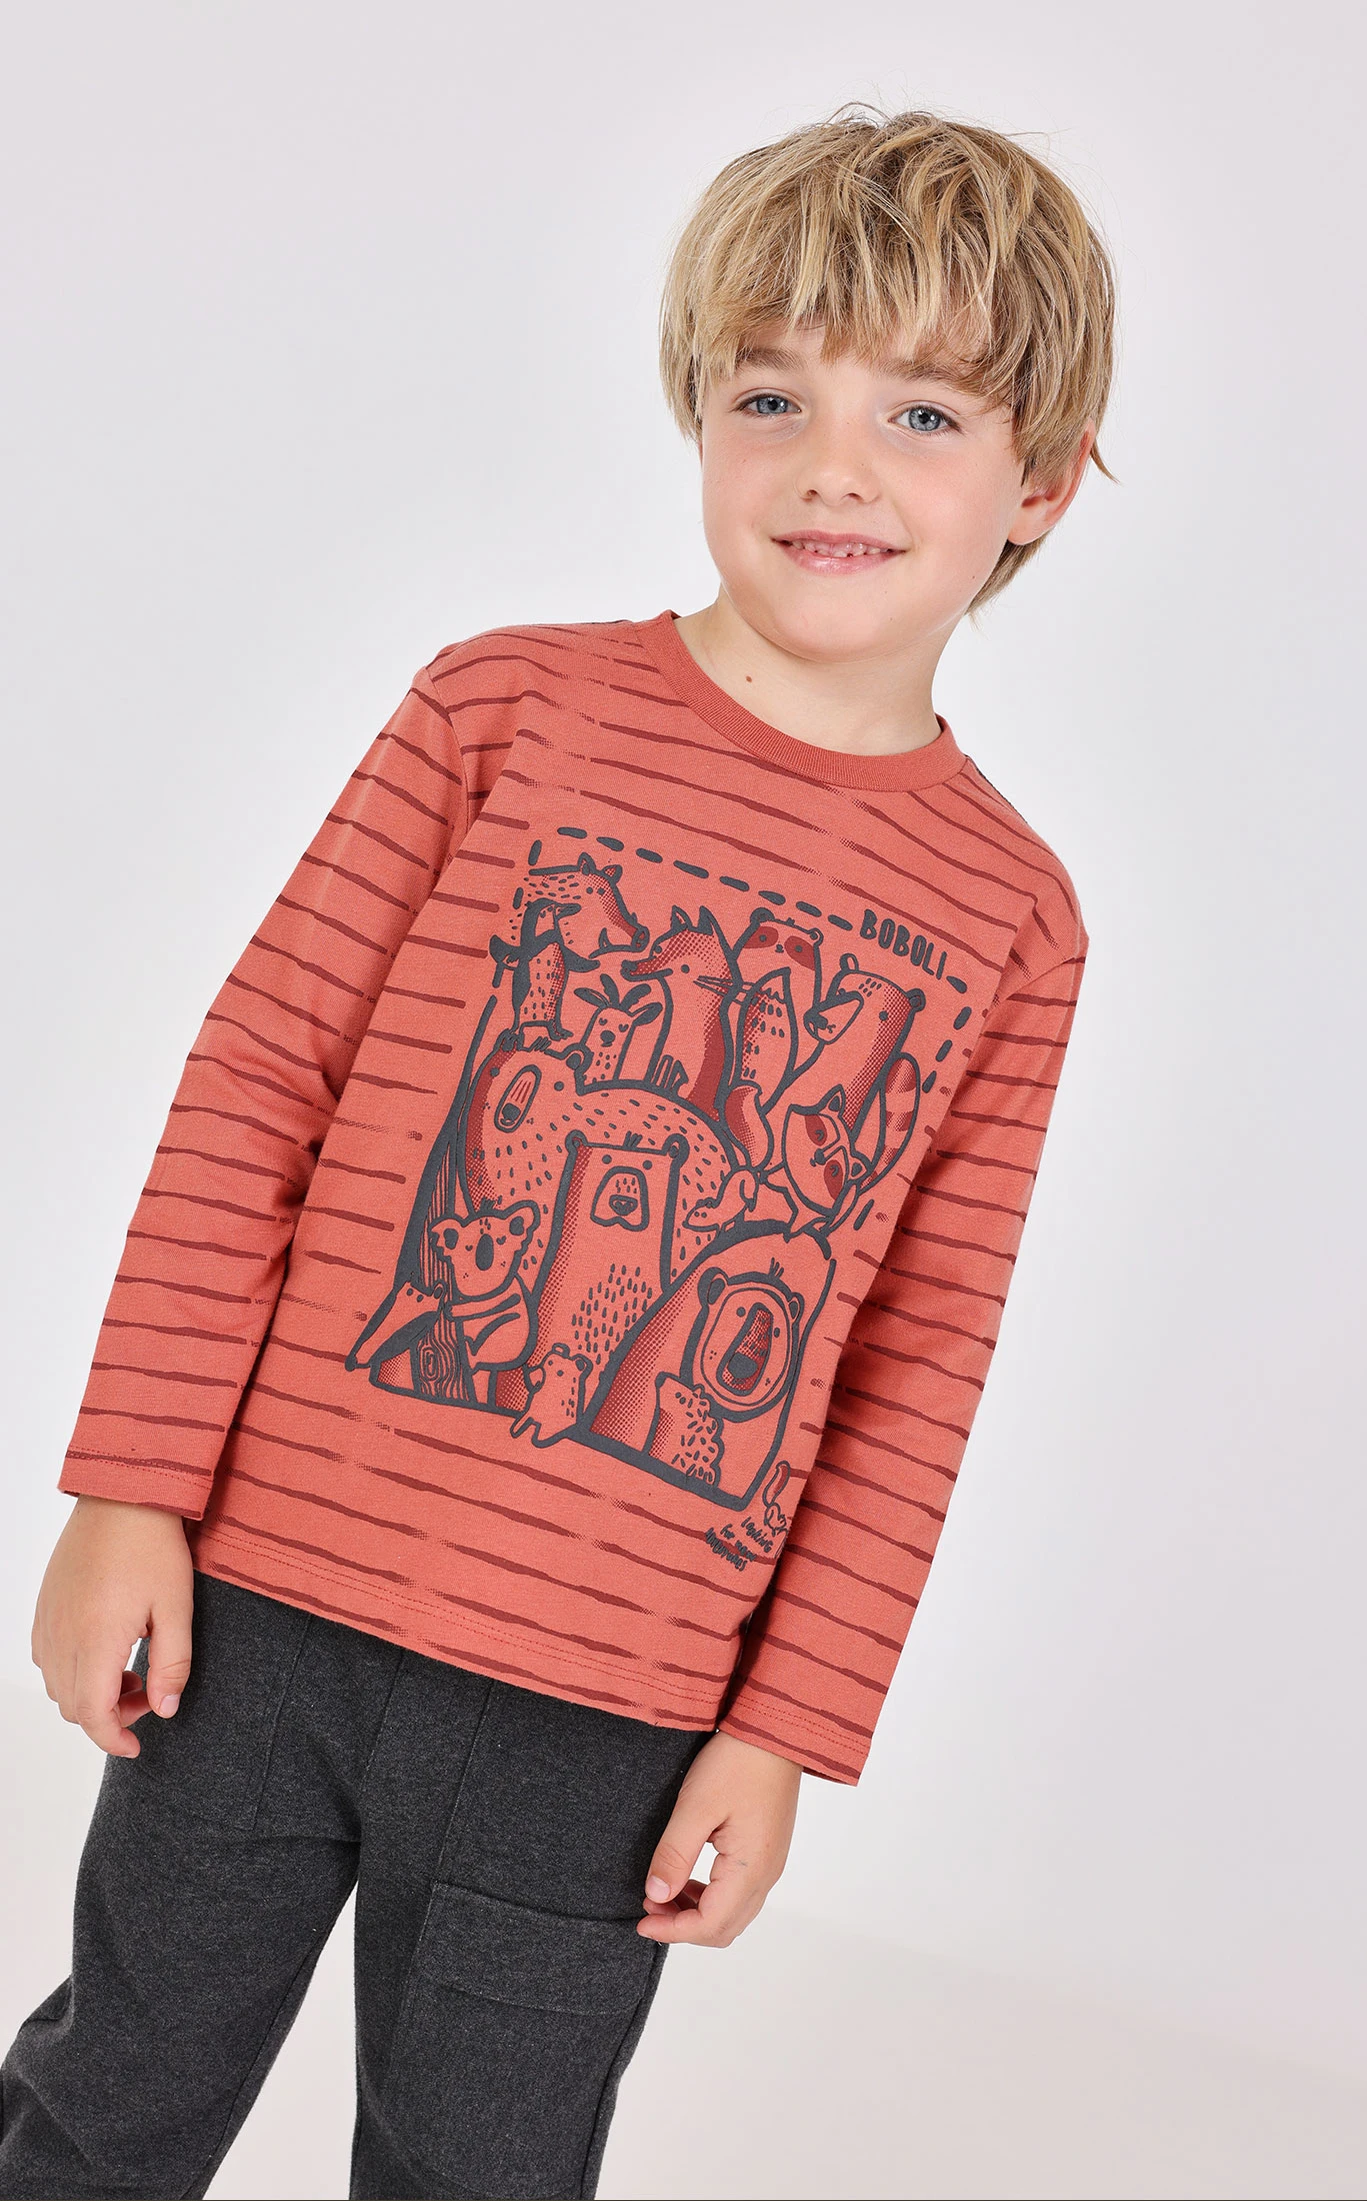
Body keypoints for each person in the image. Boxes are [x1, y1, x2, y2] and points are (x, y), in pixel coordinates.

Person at [0, 99, 1115, 2201]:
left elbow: (917, 1363)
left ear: (1040, 480)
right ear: (696, 414)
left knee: (482, 2169)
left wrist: (780, 1729)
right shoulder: (497, 712)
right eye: (768, 394)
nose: (833, 465)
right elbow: (258, 1086)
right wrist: (128, 1485)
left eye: (921, 413)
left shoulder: (1012, 919)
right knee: (107, 2106)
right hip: (265, 1608)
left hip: (608, 1711)